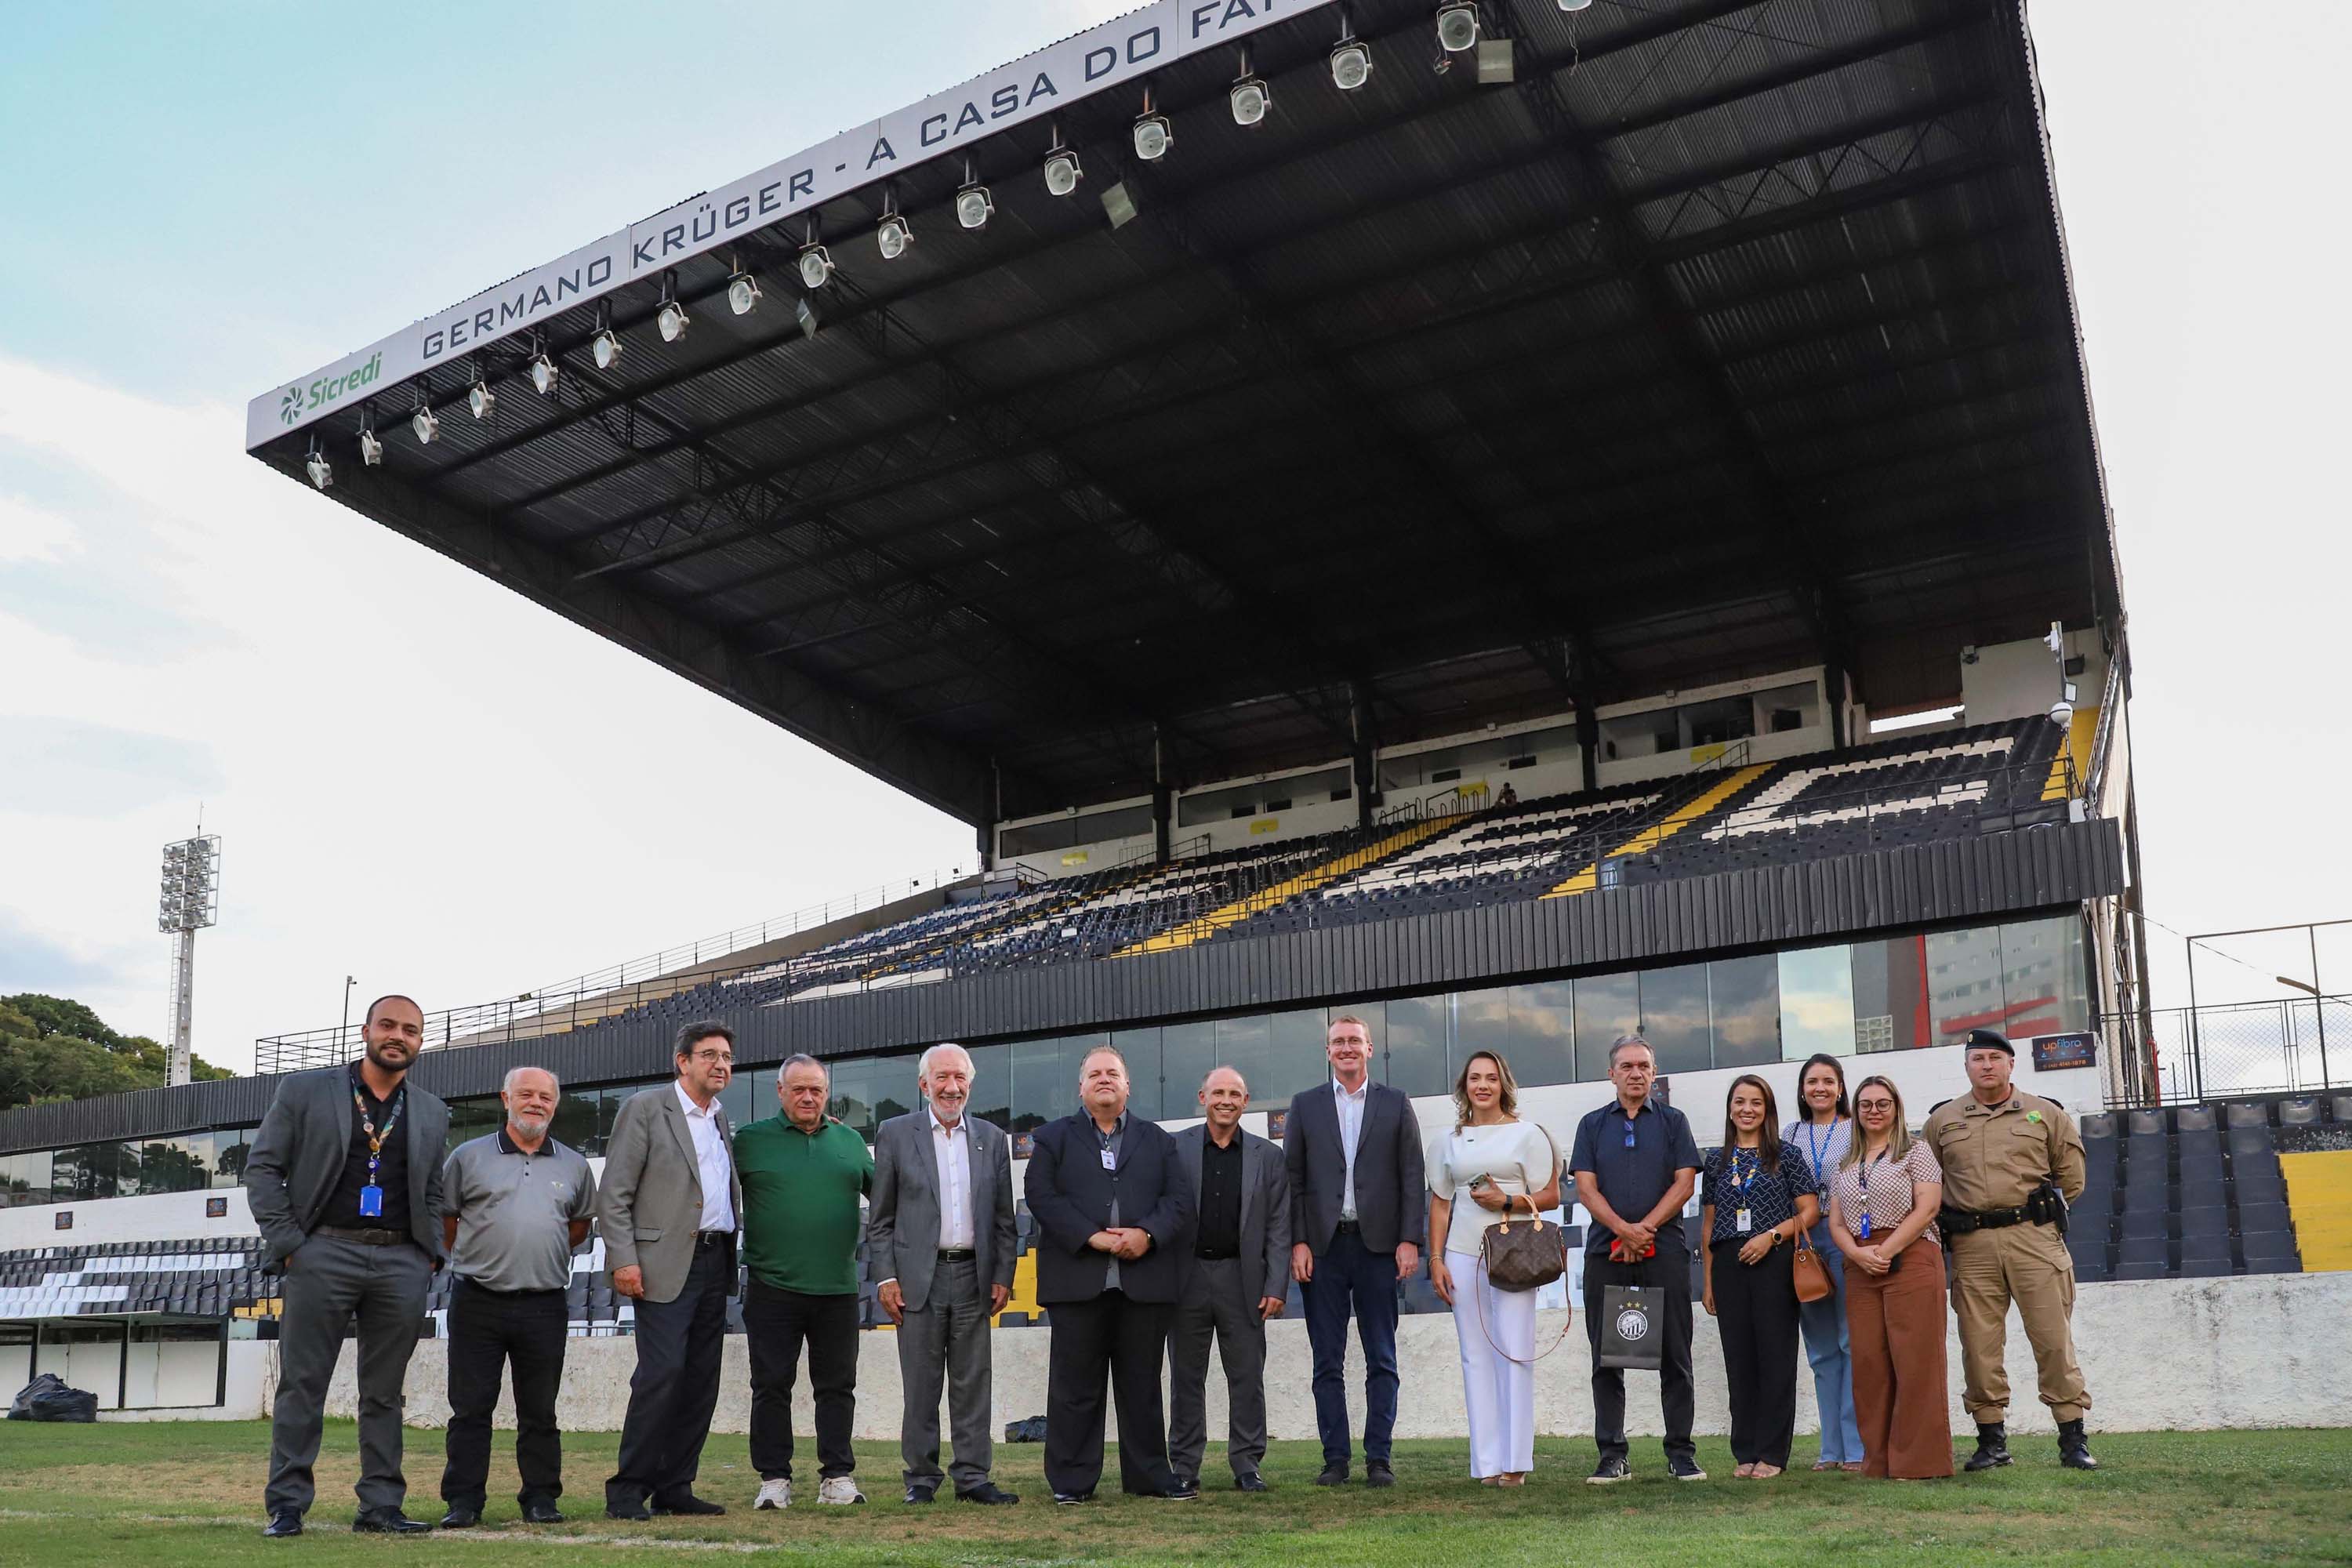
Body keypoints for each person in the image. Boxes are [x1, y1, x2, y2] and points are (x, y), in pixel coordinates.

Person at [245, 993, 448, 1537]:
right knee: (302, 1384)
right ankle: (287, 1505)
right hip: (322, 1252)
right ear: (365, 1031)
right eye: (388, 1025)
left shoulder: (431, 1109)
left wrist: (428, 1253)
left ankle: (381, 1505)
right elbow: (263, 1169)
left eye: (410, 1029)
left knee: (385, 1392)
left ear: (420, 1042)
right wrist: (291, 1243)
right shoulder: (305, 1090)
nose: (398, 1036)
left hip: (401, 1259)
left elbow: (433, 1189)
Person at [1023, 1045, 1196, 1503]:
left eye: (1112, 1073)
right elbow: (1040, 1195)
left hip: (1143, 1284)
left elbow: (1178, 1202)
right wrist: (1091, 1237)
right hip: (1079, 1284)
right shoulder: (1052, 1139)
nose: (1104, 1079)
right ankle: (1072, 1483)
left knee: (1142, 1389)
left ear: (1127, 1085)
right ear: (1081, 1087)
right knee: (1075, 1389)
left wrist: (1147, 1234)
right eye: (1095, 1073)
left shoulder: (1159, 1140)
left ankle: (1148, 1477)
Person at [1922, 1029, 2097, 1472]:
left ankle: (2073, 1438)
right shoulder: (1943, 1121)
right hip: (1972, 1244)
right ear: (1966, 1066)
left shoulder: (2046, 1114)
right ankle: (1991, 1440)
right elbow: (1927, 1181)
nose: (1986, 1065)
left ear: (2010, 1064)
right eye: (1977, 1058)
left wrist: (2043, 1217)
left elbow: (2072, 1178)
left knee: (2053, 1340)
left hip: (2033, 1239)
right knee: (1979, 1346)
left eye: (1994, 1058)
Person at [437, 1065, 597, 1528]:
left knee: (541, 1409)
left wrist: (532, 1254)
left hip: (544, 1303)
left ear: (555, 1104)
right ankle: (464, 1502)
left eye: (546, 1097)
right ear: (505, 1098)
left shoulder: (574, 1164)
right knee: (470, 1408)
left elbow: (578, 1226)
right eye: (526, 1094)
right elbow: (448, 1222)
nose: (536, 1103)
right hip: (477, 1299)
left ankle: (541, 1499)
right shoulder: (467, 1157)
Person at [601, 1021, 745, 1520]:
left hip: (714, 1258)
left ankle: (676, 1486)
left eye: (727, 1056)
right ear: (682, 1061)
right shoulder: (645, 1108)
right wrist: (622, 1259)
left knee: (700, 1380)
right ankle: (626, 1489)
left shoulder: (721, 1118)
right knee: (661, 1375)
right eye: (709, 1055)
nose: (721, 1064)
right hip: (660, 1264)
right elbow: (614, 1194)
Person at [868, 1043, 1020, 1506]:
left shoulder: (993, 1139)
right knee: (921, 1384)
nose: (951, 1087)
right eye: (942, 1078)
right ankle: (920, 1477)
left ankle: (973, 1477)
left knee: (974, 1384)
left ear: (969, 1085)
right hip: (917, 1280)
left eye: (959, 1079)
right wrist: (885, 1277)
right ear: (924, 1084)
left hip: (975, 1276)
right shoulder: (895, 1134)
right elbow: (881, 1219)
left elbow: (1003, 1219)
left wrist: (1003, 1275)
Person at [1285, 1013, 1426, 1487]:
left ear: (1370, 1049)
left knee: (1381, 1357)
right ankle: (1335, 1460)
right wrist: (1299, 1241)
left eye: (1355, 1041)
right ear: (1327, 1052)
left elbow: (1412, 1177)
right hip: (1323, 1250)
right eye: (1337, 1041)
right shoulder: (1305, 1106)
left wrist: (1410, 1240)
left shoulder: (1396, 1103)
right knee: (1327, 1358)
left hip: (1379, 1248)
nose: (1346, 1047)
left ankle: (1379, 1458)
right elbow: (1294, 1181)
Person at [736, 1054, 873, 1509]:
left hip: (837, 1287)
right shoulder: (750, 1141)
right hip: (771, 1286)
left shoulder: (851, 1141)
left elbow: (891, 1202)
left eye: (816, 1089)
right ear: (780, 1092)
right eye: (798, 1089)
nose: (808, 1097)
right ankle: (774, 1479)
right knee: (771, 1385)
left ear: (827, 1092)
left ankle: (837, 1476)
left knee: (837, 1387)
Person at [1570, 1033, 1704, 1484]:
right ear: (1611, 1074)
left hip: (1663, 1249)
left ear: (1653, 1073)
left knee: (1675, 1354)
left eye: (1644, 1066)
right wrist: (1623, 1231)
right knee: (1607, 1357)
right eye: (1626, 1067)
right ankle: (1612, 1455)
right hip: (1606, 1251)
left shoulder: (1673, 1121)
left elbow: (1684, 1183)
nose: (1636, 1074)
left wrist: (1644, 1229)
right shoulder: (1591, 1125)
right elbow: (1586, 1189)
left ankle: (1680, 1453)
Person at [1426, 1050, 1560, 1487]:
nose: (1482, 1085)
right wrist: (1437, 1258)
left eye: (1491, 1078)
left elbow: (1551, 1197)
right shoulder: (1448, 1140)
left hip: (1514, 1251)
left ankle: (1515, 1462)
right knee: (1475, 1358)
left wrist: (1506, 1201)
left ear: (1504, 1084)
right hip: (1463, 1256)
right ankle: (1486, 1463)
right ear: (1464, 1086)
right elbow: (1441, 1204)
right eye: (1474, 1078)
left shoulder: (1528, 1134)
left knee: (1515, 1350)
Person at [1167, 1066, 1291, 1494]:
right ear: (1202, 1097)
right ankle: (1184, 1466)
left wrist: (1276, 1286)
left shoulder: (1268, 1156)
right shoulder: (1175, 1148)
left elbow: (1278, 1227)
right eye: (1217, 1092)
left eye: (1234, 1093)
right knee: (1186, 1378)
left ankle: (1247, 1464)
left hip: (1244, 1279)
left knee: (1247, 1378)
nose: (1225, 1099)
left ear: (1246, 1100)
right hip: (1187, 1279)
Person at [1829, 1075, 1951, 1479]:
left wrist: (1888, 1250)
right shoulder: (1845, 1165)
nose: (1874, 1111)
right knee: (1868, 1364)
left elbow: (1928, 1207)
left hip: (1911, 1255)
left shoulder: (1916, 1151)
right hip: (1862, 1263)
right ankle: (1878, 1461)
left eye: (1882, 1103)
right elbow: (1837, 1223)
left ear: (1896, 1108)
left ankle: (1917, 1462)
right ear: (1856, 1110)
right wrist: (1858, 1254)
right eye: (1866, 1104)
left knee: (1915, 1360)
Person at [1700, 1075, 1819, 1479]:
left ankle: (1772, 1453)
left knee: (1775, 1358)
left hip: (1773, 1261)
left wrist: (1770, 1238)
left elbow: (1810, 1212)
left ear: (1767, 1109)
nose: (1746, 1109)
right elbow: (1710, 1222)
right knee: (1740, 1361)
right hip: (1730, 1264)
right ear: (1730, 1108)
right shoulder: (1716, 1160)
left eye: (1756, 1102)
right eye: (1739, 1102)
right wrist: (1709, 1279)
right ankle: (1745, 1451)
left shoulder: (1786, 1155)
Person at [1786, 1052, 1864, 1472]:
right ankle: (1829, 1449)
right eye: (1812, 1081)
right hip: (1804, 1244)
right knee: (1819, 1351)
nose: (1820, 1088)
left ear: (1840, 1088)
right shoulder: (1790, 1133)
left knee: (1850, 1341)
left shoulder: (1856, 1129)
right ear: (1802, 1089)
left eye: (1828, 1081)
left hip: (1845, 1237)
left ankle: (1856, 1447)